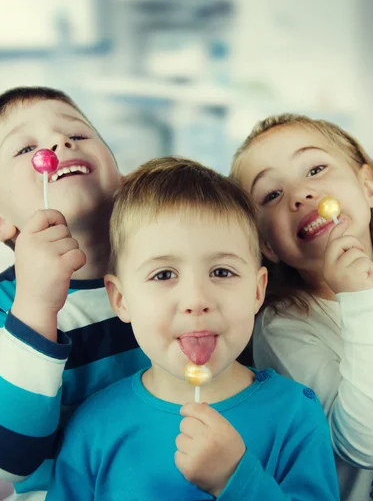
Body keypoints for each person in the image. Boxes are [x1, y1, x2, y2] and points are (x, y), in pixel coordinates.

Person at [46, 157, 339, 501]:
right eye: (164, 275)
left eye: (222, 272)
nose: (196, 300)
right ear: (121, 299)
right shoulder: (93, 426)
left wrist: (236, 478)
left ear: (258, 290)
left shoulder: (294, 413)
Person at [230, 112, 373, 501]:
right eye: (272, 195)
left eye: (315, 168)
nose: (300, 195)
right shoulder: (285, 328)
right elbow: (368, 447)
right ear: (268, 247)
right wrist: (361, 299)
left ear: (368, 188)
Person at [0, 86, 149, 500]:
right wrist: (34, 306)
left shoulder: (173, 276)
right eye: (24, 147)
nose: (59, 143)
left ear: (121, 179)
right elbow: (4, 455)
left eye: (79, 135)